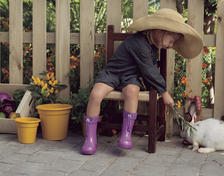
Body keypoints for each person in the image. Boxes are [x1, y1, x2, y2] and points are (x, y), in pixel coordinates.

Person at [81, 8, 203, 155]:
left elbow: (147, 73)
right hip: (112, 73)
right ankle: (90, 138)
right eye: (171, 41)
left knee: (133, 91)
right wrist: (164, 92)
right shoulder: (138, 42)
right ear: (159, 31)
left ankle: (126, 134)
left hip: (130, 77)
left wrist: (154, 88)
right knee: (95, 94)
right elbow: (149, 71)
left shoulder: (152, 47)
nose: (170, 46)